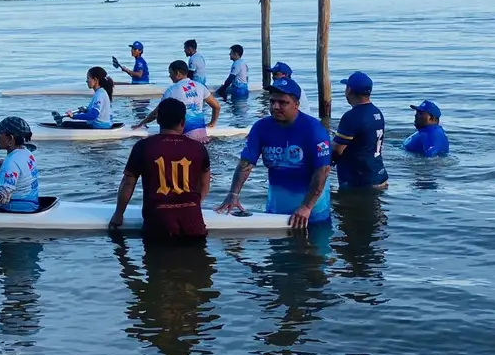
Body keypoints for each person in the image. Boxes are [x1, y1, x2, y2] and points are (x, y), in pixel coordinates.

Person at [215, 77, 331, 229]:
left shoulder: (314, 129)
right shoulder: (261, 128)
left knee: (314, 250)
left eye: (283, 103)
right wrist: (233, 194)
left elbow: (323, 171)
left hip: (313, 210)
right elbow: (246, 163)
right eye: (272, 101)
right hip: (276, 205)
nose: (275, 106)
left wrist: (306, 207)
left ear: (296, 104)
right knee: (277, 251)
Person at [108, 97, 210, 238]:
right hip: (193, 225)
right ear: (183, 122)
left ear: (158, 120)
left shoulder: (143, 147)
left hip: (157, 225)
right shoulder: (199, 148)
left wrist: (118, 215)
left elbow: (128, 182)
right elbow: (205, 185)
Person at [134, 60, 220, 142]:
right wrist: (212, 123)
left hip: (184, 137)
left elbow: (156, 113)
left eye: (170, 73)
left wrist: (141, 124)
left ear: (178, 73)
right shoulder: (200, 86)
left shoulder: (172, 90)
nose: (169, 76)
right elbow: (217, 107)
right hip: (201, 134)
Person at [332, 71, 389, 190]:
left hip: (360, 181)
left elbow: (337, 150)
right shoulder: (377, 112)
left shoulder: (352, 116)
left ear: (349, 90)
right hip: (379, 175)